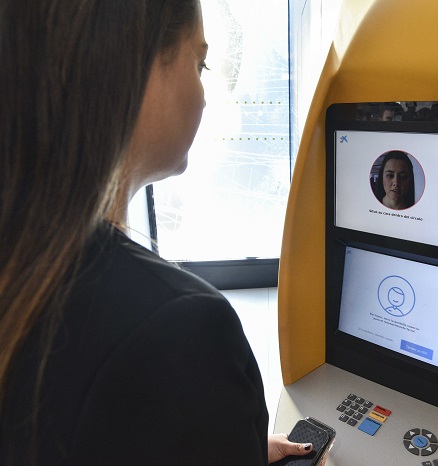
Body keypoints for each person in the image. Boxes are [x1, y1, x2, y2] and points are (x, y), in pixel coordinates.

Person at [0, 1, 322, 464]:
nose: (206, 93)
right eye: (200, 62)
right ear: (131, 68)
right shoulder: (183, 332)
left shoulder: (30, 259)